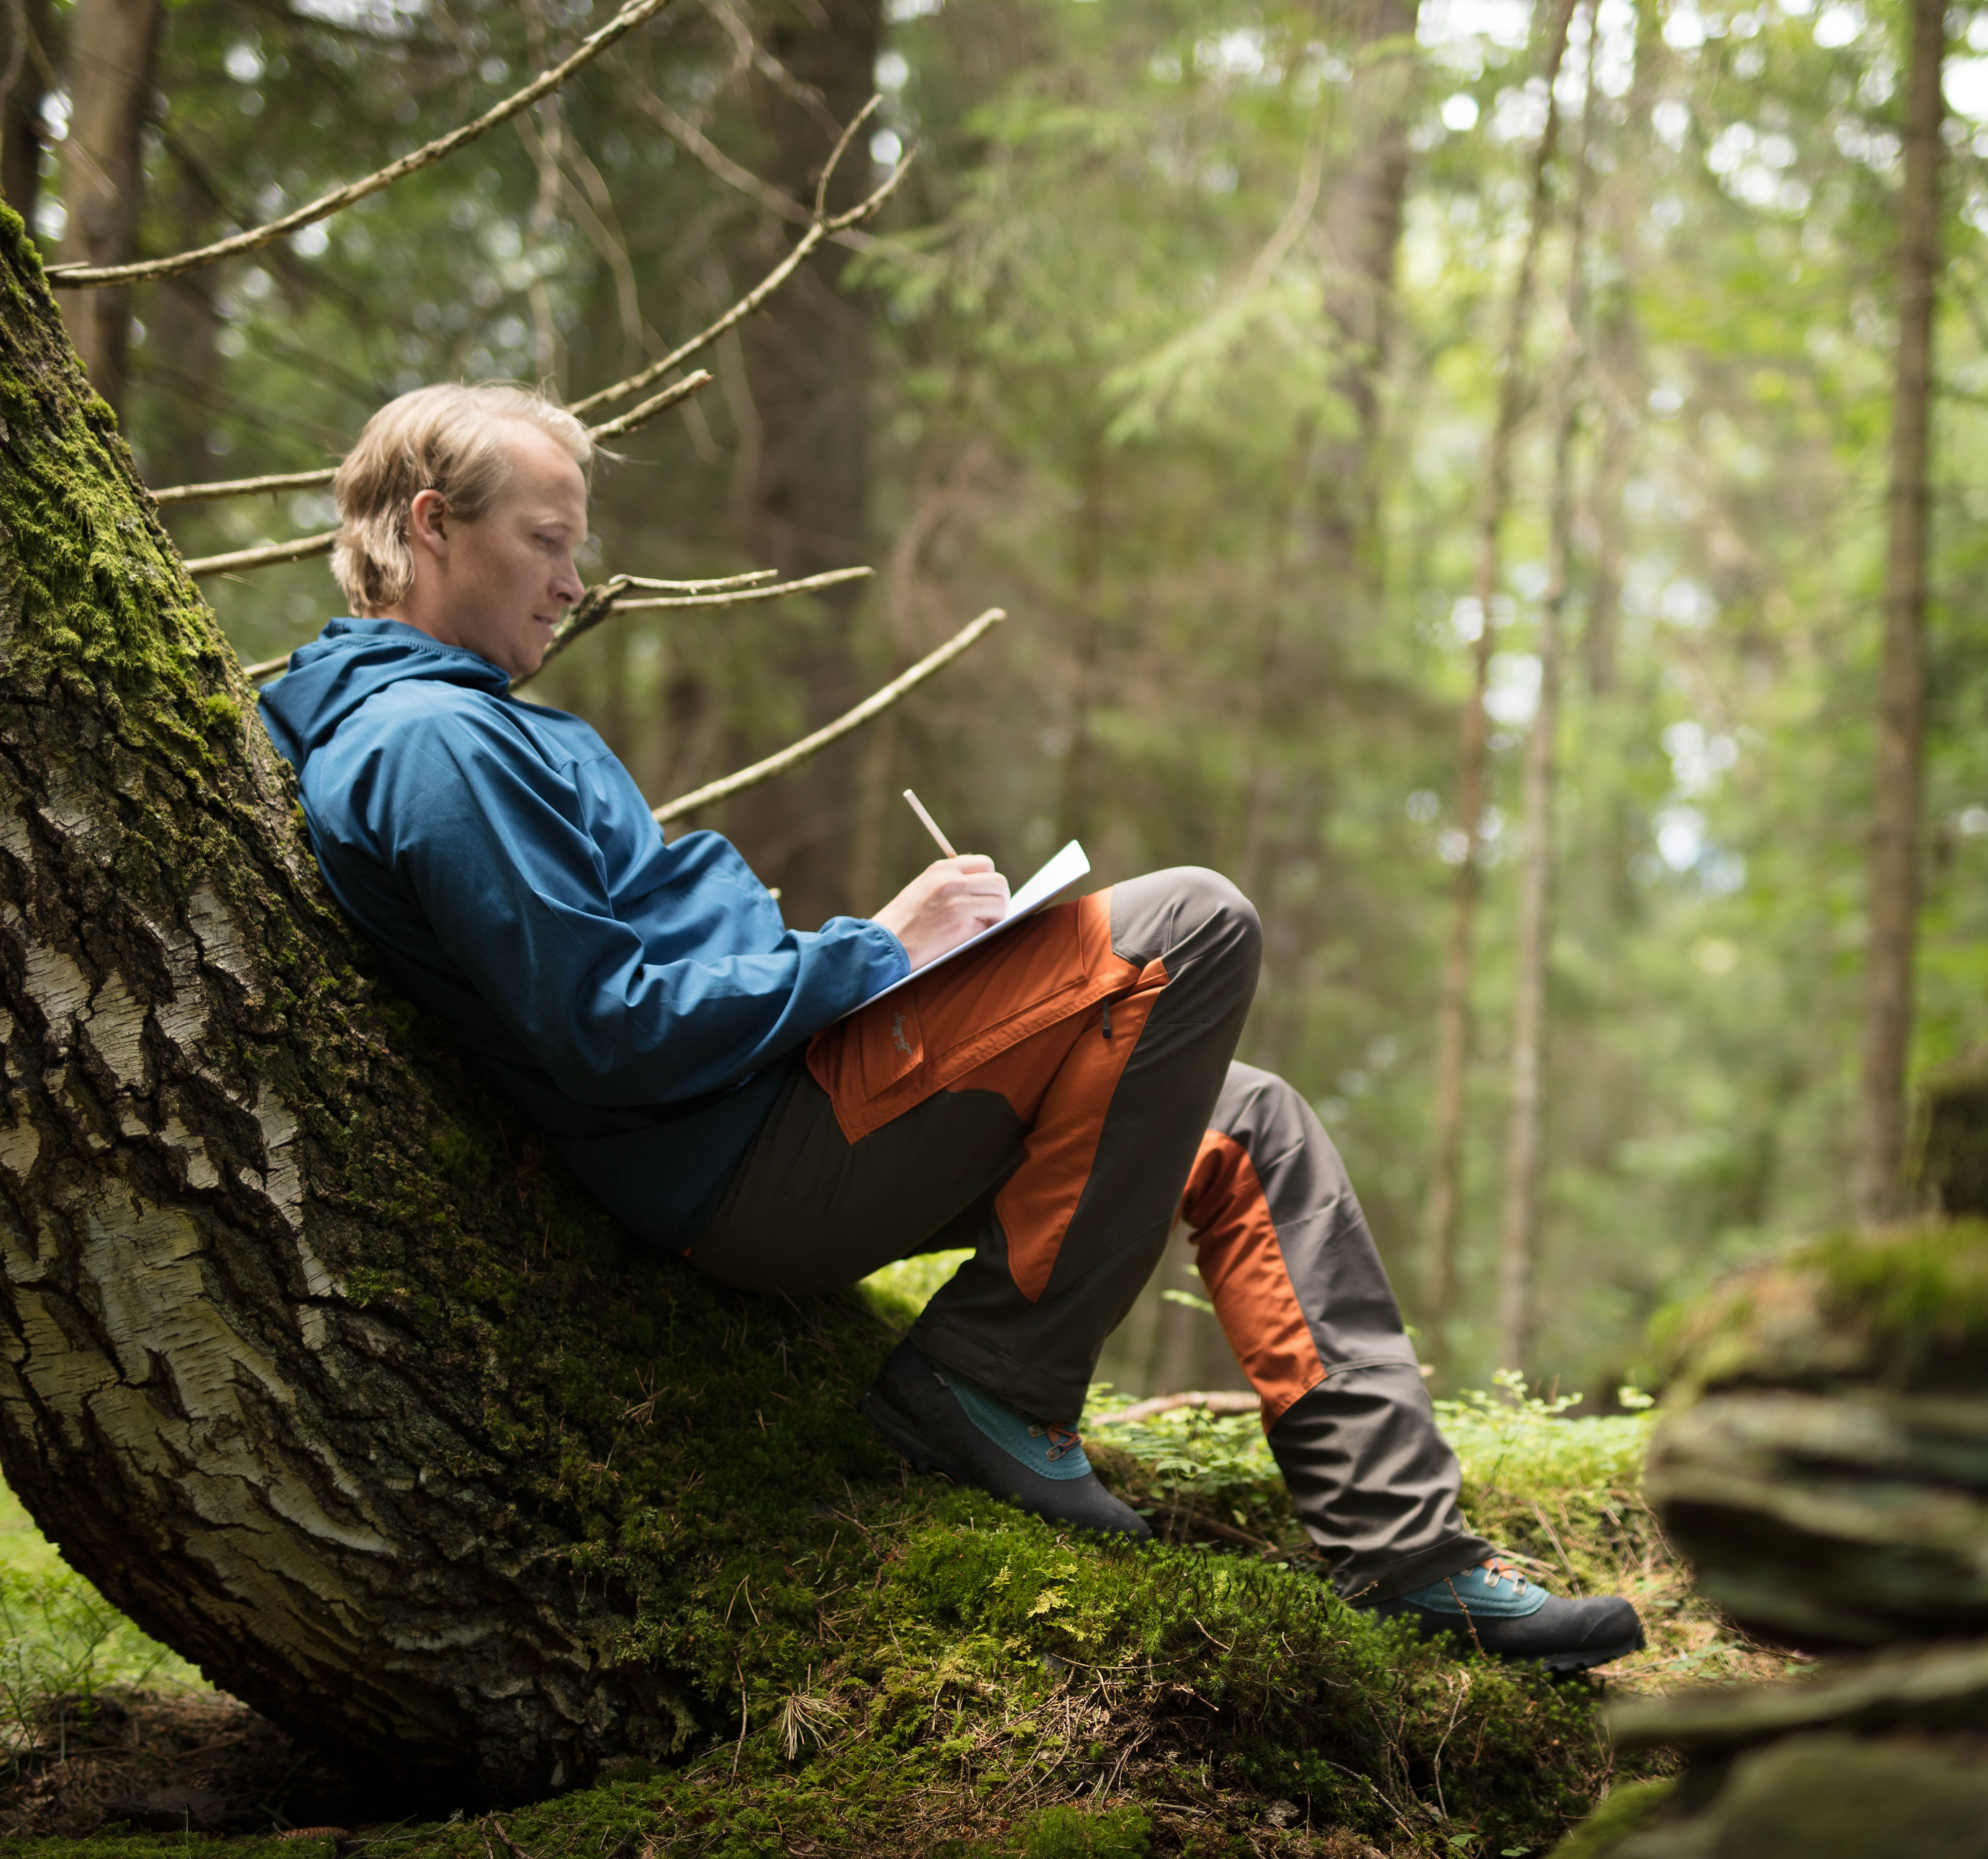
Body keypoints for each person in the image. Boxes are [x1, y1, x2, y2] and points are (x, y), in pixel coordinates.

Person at [256, 382, 1645, 1674]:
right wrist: (880, 952)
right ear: (431, 528)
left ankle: (1409, 1555)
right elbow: (610, 1026)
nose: (575, 580)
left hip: (783, 1102)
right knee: (1190, 922)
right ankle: (992, 1383)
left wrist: (880, 960)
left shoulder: (462, 727)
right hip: (746, 1153)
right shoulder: (430, 746)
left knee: (1242, 1117)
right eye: (547, 541)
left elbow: (638, 980)